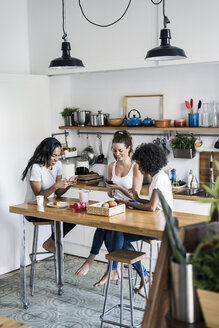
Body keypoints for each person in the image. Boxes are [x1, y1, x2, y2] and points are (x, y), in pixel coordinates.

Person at [96, 142, 173, 293]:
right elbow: (153, 204)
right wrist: (136, 199)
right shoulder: (159, 176)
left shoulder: (158, 179)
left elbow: (151, 207)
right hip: (157, 222)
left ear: (147, 163)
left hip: (159, 228)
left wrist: (127, 202)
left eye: (140, 163)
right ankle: (142, 274)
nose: (138, 167)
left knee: (116, 232)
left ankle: (113, 270)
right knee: (114, 233)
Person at [75, 131, 143, 282]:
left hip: (131, 209)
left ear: (129, 148)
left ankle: (94, 261)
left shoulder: (136, 167)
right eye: (114, 150)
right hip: (116, 207)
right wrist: (111, 190)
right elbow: (111, 196)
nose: (117, 154)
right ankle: (123, 270)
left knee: (105, 227)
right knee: (107, 229)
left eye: (121, 151)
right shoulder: (112, 166)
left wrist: (120, 188)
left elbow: (136, 197)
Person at [22, 137, 77, 253]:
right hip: (33, 209)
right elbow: (39, 195)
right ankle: (51, 243)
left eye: (58, 155)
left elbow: (58, 192)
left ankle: (51, 242)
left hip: (50, 207)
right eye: (53, 156)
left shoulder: (58, 165)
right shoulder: (36, 168)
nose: (56, 159)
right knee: (67, 217)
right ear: (45, 153)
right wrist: (56, 185)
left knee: (75, 215)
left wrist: (68, 184)